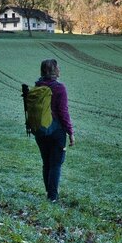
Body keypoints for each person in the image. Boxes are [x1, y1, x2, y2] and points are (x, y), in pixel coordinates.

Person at [34, 58, 75, 202]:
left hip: (40, 130)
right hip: (56, 130)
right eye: (58, 67)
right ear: (53, 71)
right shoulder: (59, 88)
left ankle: (49, 192)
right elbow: (63, 112)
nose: (60, 69)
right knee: (56, 163)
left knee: (46, 162)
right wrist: (70, 132)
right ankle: (52, 196)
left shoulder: (37, 86)